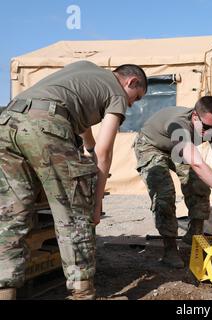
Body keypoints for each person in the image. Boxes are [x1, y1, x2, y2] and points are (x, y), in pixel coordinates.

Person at [0, 61, 147, 300]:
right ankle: (82, 294)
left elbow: (79, 121)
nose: (131, 104)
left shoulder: (85, 68)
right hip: (45, 126)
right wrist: (96, 203)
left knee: (10, 218)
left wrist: (86, 147)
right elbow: (104, 152)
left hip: (7, 122)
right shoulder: (117, 93)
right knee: (74, 216)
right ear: (131, 82)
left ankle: (4, 292)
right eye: (136, 97)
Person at [134, 96, 212, 268]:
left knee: (199, 184)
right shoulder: (178, 124)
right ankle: (170, 250)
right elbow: (197, 162)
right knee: (164, 193)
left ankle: (195, 235)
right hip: (152, 146)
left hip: (178, 149)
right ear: (195, 116)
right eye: (206, 127)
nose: (209, 133)